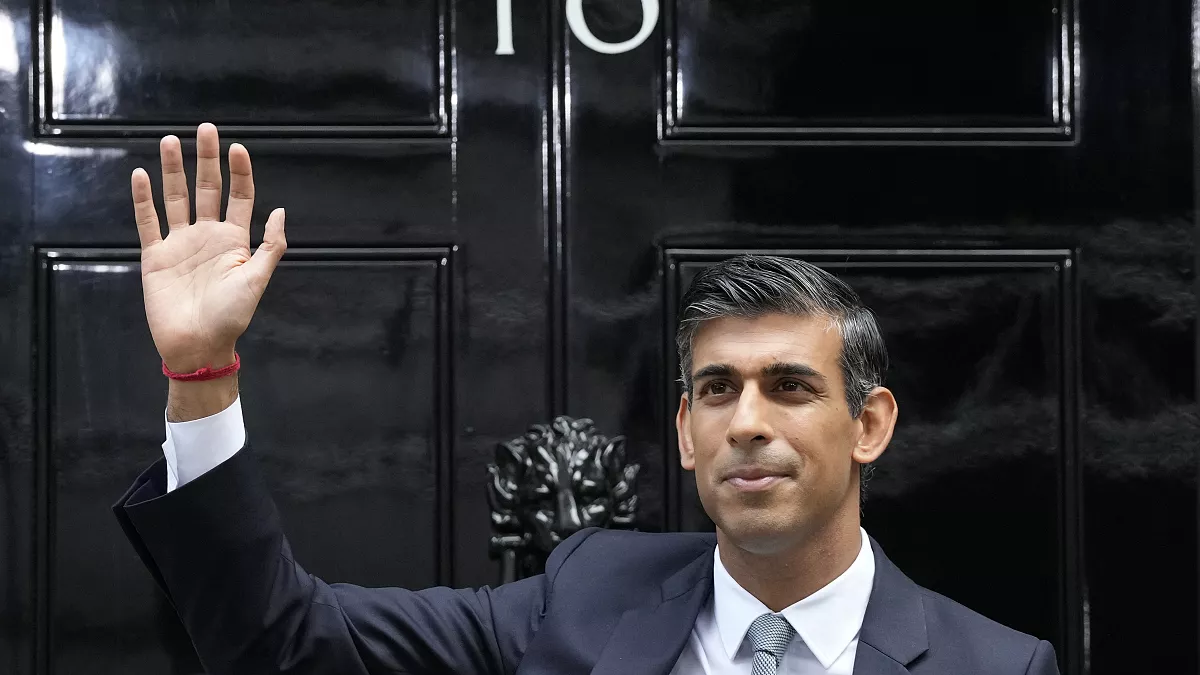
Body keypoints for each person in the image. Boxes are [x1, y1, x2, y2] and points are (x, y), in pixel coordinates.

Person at [113, 123, 1060, 675]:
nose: (747, 422)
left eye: (790, 386)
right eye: (717, 390)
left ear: (870, 424)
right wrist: (203, 371)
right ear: (684, 430)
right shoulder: (588, 595)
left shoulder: (997, 665)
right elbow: (281, 639)